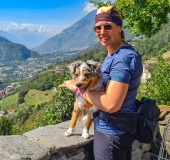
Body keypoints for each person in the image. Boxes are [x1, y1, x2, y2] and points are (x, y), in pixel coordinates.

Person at [59, 5, 143, 160]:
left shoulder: (122, 59)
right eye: (98, 28)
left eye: (107, 26)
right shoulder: (114, 54)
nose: (102, 32)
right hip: (116, 131)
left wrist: (76, 88)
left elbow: (111, 104)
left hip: (111, 133)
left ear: (119, 28)